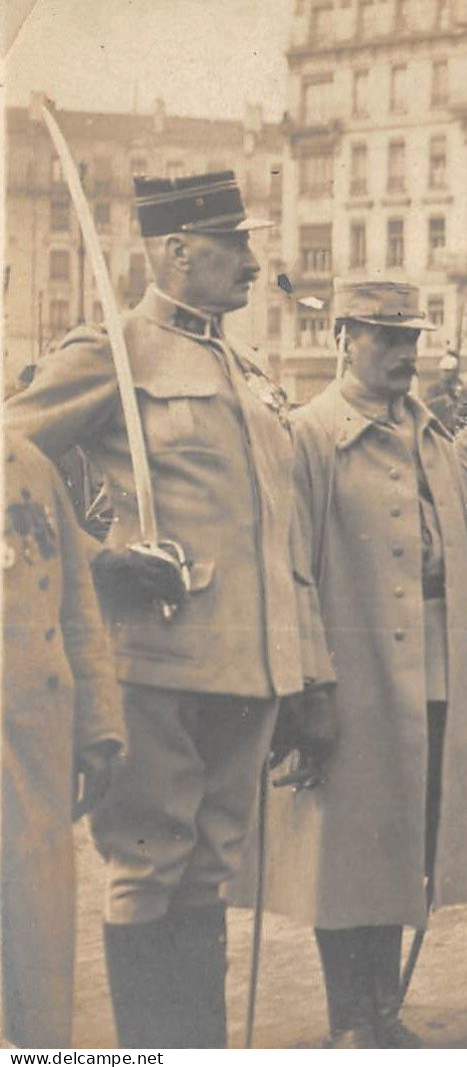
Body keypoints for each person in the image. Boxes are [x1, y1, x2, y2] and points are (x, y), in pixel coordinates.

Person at [6, 170, 334, 1048]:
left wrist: (307, 670)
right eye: (236, 244)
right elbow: (12, 472)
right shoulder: (110, 352)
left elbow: (283, 536)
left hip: (250, 666)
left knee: (211, 871)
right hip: (156, 659)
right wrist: (101, 564)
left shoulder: (246, 368)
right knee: (147, 867)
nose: (257, 264)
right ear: (178, 250)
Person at [239, 281, 467, 1048]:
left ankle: (383, 1008)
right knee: (346, 847)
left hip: (432, 670)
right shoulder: (309, 435)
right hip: (349, 675)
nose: (404, 354)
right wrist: (306, 687)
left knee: (407, 839)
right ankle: (350, 1017)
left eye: (412, 339)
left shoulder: (429, 432)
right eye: (385, 338)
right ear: (344, 338)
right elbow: (289, 567)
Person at [1, 434, 123, 1048]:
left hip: (34, 742)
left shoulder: (29, 465)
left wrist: (99, 729)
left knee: (38, 936)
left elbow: (78, 607)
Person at [422, 351, 467, 427]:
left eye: (450, 371)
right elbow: (425, 408)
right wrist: (442, 401)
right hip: (439, 428)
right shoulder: (433, 389)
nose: (446, 374)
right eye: (444, 371)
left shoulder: (462, 388)